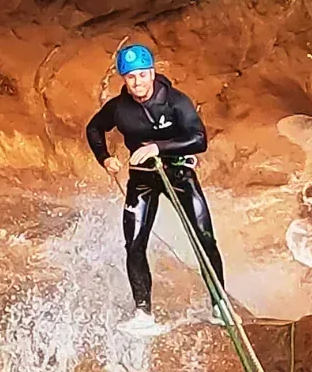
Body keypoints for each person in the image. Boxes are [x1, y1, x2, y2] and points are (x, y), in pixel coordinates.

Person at [85, 43, 227, 333]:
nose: (137, 82)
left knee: (204, 237)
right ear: (124, 79)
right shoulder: (119, 108)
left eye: (142, 75)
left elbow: (199, 139)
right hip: (143, 179)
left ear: (152, 73)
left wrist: (156, 147)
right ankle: (143, 312)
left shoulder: (175, 101)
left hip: (179, 173)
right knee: (135, 243)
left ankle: (219, 305)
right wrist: (105, 158)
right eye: (131, 77)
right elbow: (93, 128)